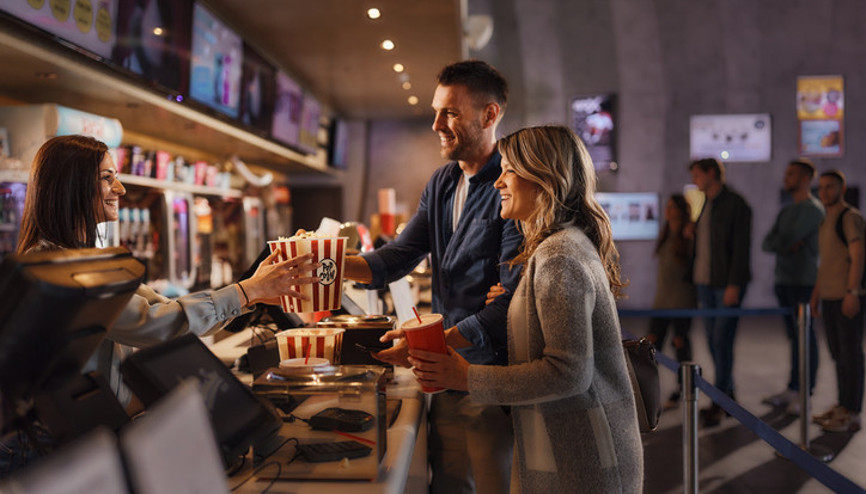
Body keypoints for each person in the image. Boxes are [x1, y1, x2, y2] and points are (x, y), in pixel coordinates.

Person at [406, 125, 643, 493]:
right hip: (575, 454)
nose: (498, 182)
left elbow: (568, 373)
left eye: (510, 170)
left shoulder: (558, 256)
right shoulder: (557, 248)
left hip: (583, 465)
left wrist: (466, 377)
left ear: (544, 178)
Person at [16, 135, 319, 408]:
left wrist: (252, 292)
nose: (119, 189)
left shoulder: (86, 262)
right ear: (73, 186)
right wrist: (248, 291)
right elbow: (155, 326)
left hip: (93, 428)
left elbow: (164, 311)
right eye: (107, 179)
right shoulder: (54, 271)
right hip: (55, 445)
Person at [343, 60, 522, 494]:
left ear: (490, 115)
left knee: (489, 482)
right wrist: (326, 262)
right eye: (436, 110)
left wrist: (428, 344)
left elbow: (511, 301)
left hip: (487, 372)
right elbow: (400, 255)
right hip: (442, 370)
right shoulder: (442, 182)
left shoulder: (514, 184)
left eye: (451, 113)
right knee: (449, 481)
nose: (436, 123)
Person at [688, 157, 752, 427]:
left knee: (721, 341)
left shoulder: (736, 204)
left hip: (725, 285)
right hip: (705, 282)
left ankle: (720, 401)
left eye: (697, 175)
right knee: (715, 343)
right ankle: (727, 395)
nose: (695, 181)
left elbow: (741, 249)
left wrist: (734, 285)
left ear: (712, 173)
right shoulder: (708, 204)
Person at [761, 159, 824, 416]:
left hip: (804, 282)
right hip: (784, 281)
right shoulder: (786, 211)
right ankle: (793, 387)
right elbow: (768, 243)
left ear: (806, 178)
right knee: (794, 339)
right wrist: (786, 244)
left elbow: (787, 238)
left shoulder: (814, 210)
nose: (786, 178)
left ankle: (805, 394)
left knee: (805, 339)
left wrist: (785, 242)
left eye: (792, 174)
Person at [810, 170, 864, 433]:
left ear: (841, 189)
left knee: (850, 355)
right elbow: (826, 262)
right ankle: (843, 406)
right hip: (829, 297)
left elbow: (858, 256)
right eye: (821, 187)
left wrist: (852, 292)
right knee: (838, 354)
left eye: (830, 187)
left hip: (846, 297)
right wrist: (816, 295)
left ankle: (852, 412)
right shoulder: (825, 220)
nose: (824, 192)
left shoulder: (849, 217)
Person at [647, 194, 696, 409]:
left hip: (681, 299)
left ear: (681, 210)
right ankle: (650, 390)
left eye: (672, 207)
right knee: (652, 344)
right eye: (667, 207)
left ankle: (682, 389)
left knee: (680, 343)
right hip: (662, 299)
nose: (668, 211)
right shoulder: (666, 232)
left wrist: (692, 236)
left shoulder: (689, 233)